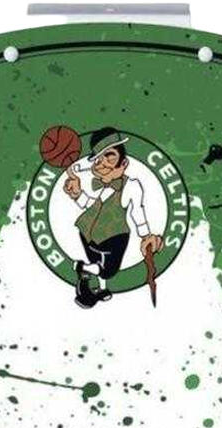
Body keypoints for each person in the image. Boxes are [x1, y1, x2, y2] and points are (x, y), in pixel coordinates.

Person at [63, 127, 164, 308]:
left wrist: (146, 235)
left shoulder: (131, 186)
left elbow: (137, 212)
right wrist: (77, 194)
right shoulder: (103, 187)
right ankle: (83, 269)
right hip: (91, 233)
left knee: (101, 266)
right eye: (98, 159)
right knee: (107, 270)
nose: (102, 164)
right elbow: (92, 206)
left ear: (123, 163)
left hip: (109, 235)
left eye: (109, 156)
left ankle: (100, 288)